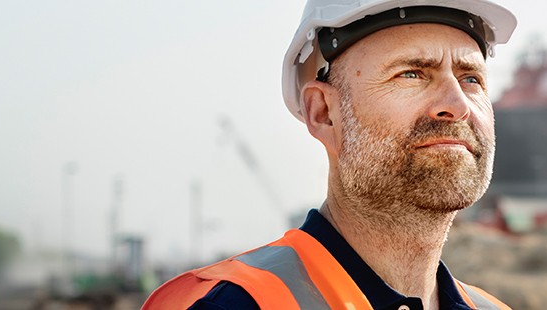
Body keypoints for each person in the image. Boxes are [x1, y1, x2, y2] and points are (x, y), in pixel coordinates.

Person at [143, 0, 516, 309]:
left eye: (471, 78)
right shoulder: (235, 304)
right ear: (323, 113)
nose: (457, 105)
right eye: (411, 74)